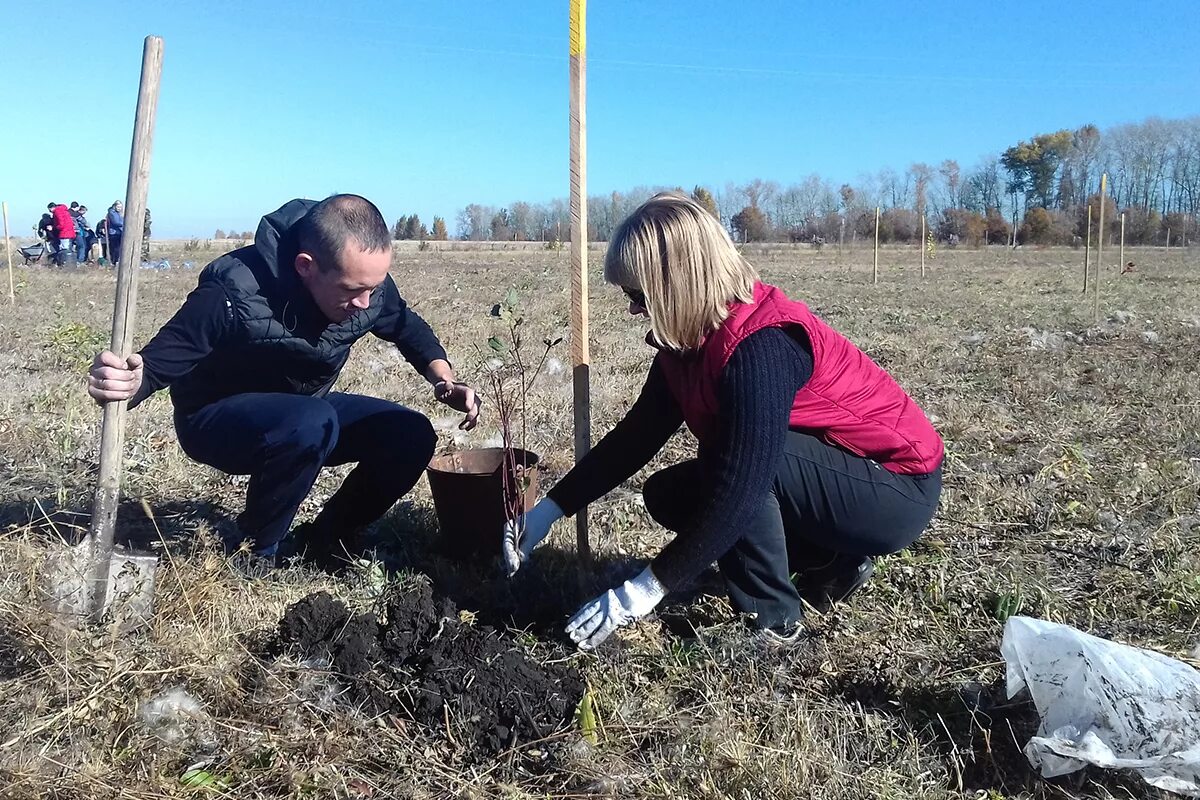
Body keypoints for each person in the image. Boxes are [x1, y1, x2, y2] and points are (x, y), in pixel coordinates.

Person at [504, 192, 944, 650]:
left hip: (896, 486)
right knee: (670, 494)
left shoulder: (761, 347)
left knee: (730, 462)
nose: (633, 309)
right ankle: (829, 560)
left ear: (676, 284)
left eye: (637, 294)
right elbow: (635, 438)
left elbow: (743, 486)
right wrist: (548, 511)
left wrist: (641, 591)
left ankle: (775, 624)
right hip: (834, 476)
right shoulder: (689, 343)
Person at [86, 194, 482, 567]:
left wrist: (443, 378)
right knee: (311, 421)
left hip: (303, 412)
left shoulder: (368, 289)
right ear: (305, 266)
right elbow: (156, 365)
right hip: (216, 420)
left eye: (373, 287)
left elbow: (406, 327)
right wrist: (126, 382)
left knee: (409, 433)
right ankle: (253, 551)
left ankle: (327, 538)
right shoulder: (234, 290)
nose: (365, 302)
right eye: (352, 290)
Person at [48, 202, 77, 266]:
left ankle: (66, 264)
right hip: (70, 232)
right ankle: (69, 264)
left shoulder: (57, 212)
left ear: (52, 208)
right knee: (69, 249)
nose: (50, 211)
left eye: (49, 209)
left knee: (65, 249)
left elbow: (61, 224)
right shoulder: (64, 211)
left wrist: (54, 227)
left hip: (64, 233)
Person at [106, 201, 125, 266]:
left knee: (118, 248)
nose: (119, 208)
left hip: (119, 232)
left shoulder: (118, 213)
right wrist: (126, 223)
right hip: (114, 233)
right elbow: (116, 222)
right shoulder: (112, 213)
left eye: (121, 207)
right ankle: (114, 261)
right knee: (115, 248)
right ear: (115, 206)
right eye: (118, 207)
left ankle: (116, 261)